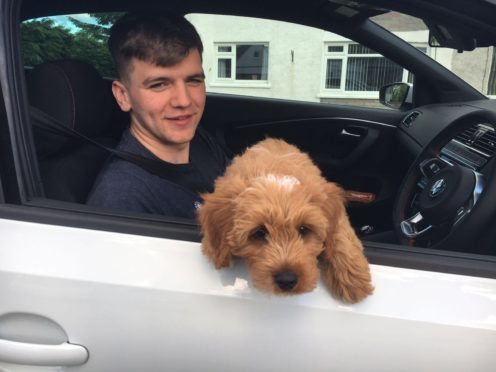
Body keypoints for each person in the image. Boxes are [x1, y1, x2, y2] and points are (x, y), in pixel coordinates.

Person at [87, 12, 229, 219]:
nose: (184, 101)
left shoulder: (200, 140)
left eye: (194, 81)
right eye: (159, 85)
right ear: (123, 96)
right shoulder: (122, 198)